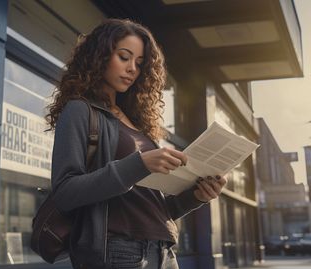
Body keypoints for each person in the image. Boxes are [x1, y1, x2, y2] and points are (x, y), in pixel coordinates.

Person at [45, 18, 227, 269]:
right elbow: (65, 192)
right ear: (100, 56)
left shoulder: (136, 123)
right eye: (124, 57)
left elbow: (154, 209)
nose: (132, 68)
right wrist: (138, 164)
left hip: (164, 252)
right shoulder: (80, 110)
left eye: (139, 63)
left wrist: (196, 197)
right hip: (119, 253)